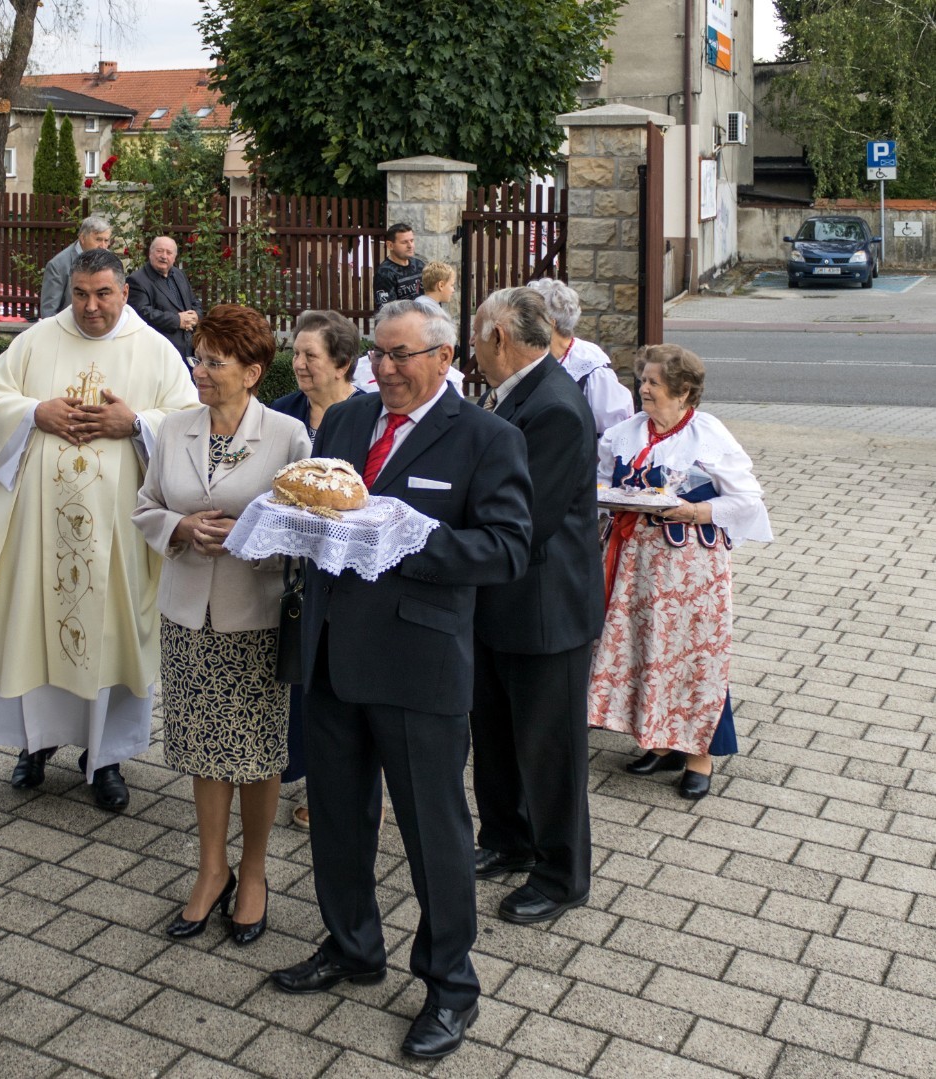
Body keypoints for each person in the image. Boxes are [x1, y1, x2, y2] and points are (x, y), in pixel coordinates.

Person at [269, 300, 532, 1062]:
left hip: (417, 665)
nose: (383, 369)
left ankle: (450, 983)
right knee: (338, 817)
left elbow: (507, 549)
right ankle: (352, 944)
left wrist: (411, 539)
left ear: (445, 358)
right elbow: (323, 512)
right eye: (377, 355)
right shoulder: (348, 420)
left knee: (433, 834)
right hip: (332, 654)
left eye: (400, 355)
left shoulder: (487, 437)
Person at [0, 248, 199, 810]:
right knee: (33, 624)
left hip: (119, 534)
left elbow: (187, 420)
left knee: (111, 635)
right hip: (38, 528)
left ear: (124, 293)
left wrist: (135, 422)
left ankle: (104, 758)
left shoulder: (155, 350)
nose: (90, 307)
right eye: (81, 294)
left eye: (103, 294)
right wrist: (34, 413)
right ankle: (33, 744)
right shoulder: (38, 339)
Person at [133, 304, 312, 946]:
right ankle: (212, 870)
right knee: (203, 748)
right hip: (186, 613)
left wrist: (250, 540)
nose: (199, 371)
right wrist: (180, 527)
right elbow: (145, 506)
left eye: (214, 361)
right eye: (198, 358)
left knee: (258, 752)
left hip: (255, 616)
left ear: (252, 372)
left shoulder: (288, 436)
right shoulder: (175, 428)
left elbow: (307, 528)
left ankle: (254, 872)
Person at [467, 288, 603, 925]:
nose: (471, 351)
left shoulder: (554, 407)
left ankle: (562, 874)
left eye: (475, 337)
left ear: (499, 337)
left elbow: (529, 518)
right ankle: (507, 838)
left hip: (545, 610)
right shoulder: (514, 392)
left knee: (550, 750)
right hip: (500, 602)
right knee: (494, 734)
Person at [590, 344, 772, 799]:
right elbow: (600, 483)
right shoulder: (625, 433)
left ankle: (699, 756)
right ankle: (661, 742)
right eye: (642, 380)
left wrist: (693, 511)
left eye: (654, 382)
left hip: (690, 567)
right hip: (636, 563)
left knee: (694, 655)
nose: (643, 389)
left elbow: (747, 500)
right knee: (649, 649)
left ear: (684, 391)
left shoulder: (707, 435)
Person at [267, 309, 365, 829]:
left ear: (343, 362)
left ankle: (355, 790)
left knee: (344, 681)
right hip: (292, 571)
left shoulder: (369, 416)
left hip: (349, 572)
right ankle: (303, 773)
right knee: (298, 678)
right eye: (296, 353)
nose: (299, 364)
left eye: (311, 355)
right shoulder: (282, 414)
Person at [522, 277, 634, 439]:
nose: (523, 327)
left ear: (550, 324)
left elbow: (614, 430)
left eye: (530, 321)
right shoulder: (532, 356)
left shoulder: (589, 365)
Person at [126, 235, 202, 362]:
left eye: (169, 252)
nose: (164, 256)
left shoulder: (179, 274)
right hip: (159, 352)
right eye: (159, 251)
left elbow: (194, 302)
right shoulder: (137, 280)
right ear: (150, 253)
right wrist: (177, 320)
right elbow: (141, 313)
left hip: (190, 349)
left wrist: (195, 316)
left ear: (174, 257)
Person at [39, 216, 113, 318]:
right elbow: (49, 312)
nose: (103, 246)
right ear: (82, 238)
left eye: (106, 240)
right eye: (98, 239)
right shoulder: (58, 265)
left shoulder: (111, 261)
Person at [372, 222, 425, 308]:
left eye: (412, 241)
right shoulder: (385, 273)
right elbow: (387, 310)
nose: (410, 246)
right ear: (390, 245)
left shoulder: (420, 265)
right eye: (404, 242)